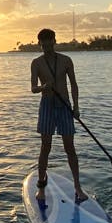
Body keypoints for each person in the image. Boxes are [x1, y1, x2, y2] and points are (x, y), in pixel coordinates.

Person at [30, 28, 88, 204]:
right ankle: (41, 187)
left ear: (54, 41)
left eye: (49, 42)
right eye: (43, 43)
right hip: (47, 105)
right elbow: (33, 88)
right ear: (39, 43)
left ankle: (77, 187)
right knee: (45, 147)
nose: (46, 45)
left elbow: (74, 85)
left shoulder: (66, 60)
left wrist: (76, 107)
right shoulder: (36, 63)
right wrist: (43, 88)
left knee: (70, 148)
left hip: (64, 106)